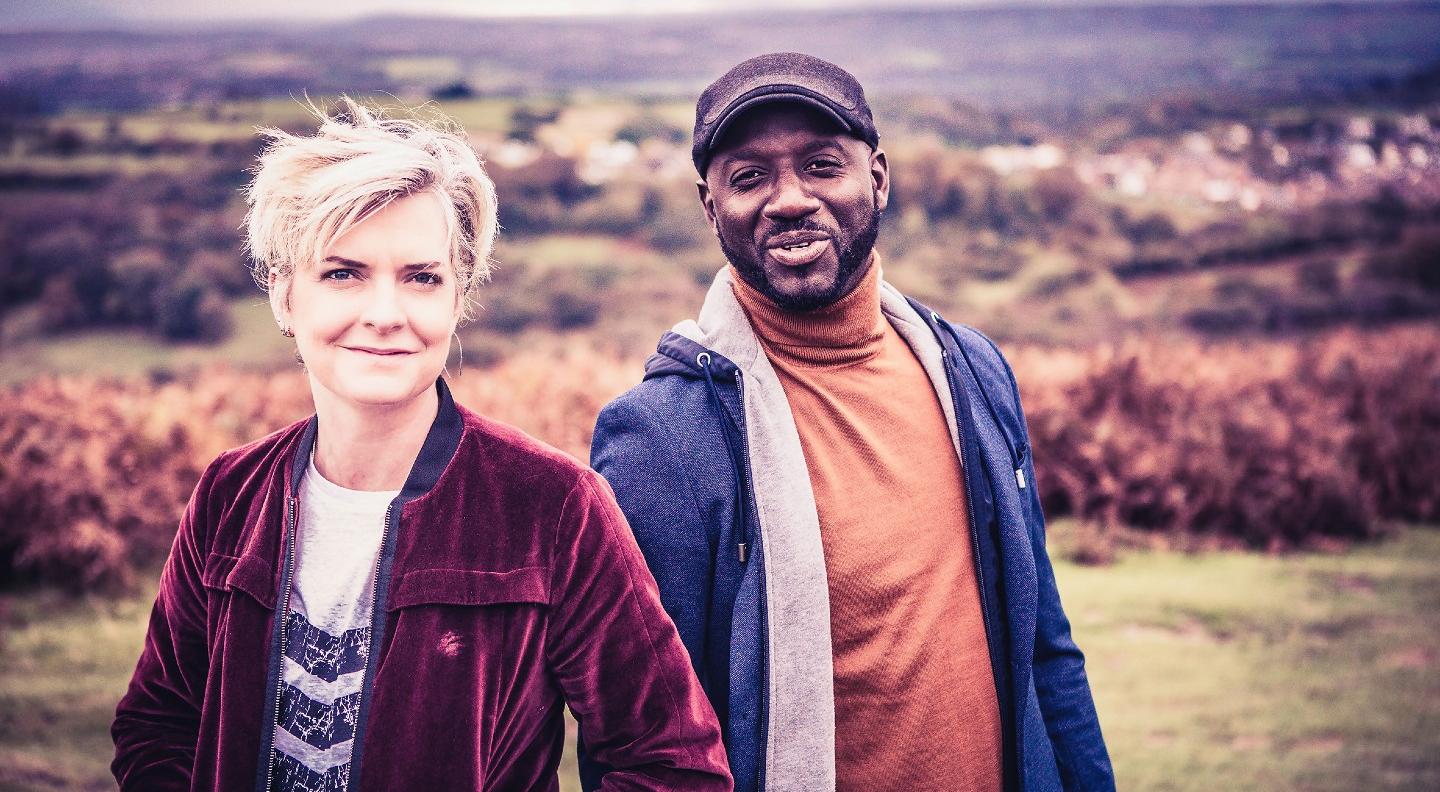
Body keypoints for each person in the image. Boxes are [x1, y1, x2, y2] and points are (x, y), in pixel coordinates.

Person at [111, 99, 732, 792]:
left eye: (421, 277)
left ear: (458, 297)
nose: (385, 314)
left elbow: (671, 766)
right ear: (285, 298)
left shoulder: (553, 507)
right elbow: (158, 724)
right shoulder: (230, 494)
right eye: (343, 273)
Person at [587, 53, 1114, 792]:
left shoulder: (973, 371)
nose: (789, 200)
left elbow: (1044, 651)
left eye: (821, 165)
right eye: (749, 178)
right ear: (711, 209)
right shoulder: (664, 438)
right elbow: (643, 743)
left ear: (879, 177)